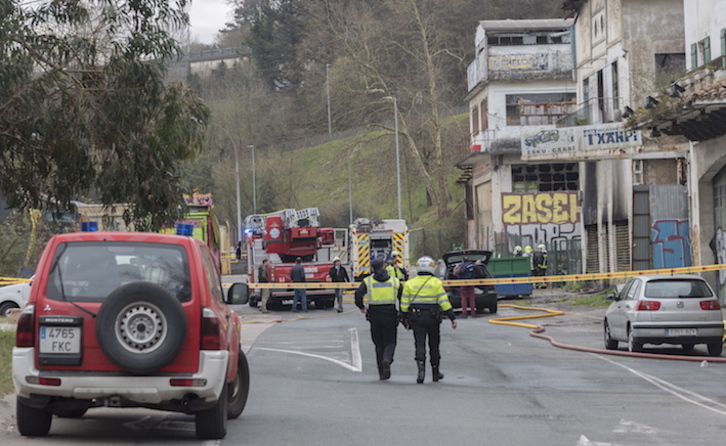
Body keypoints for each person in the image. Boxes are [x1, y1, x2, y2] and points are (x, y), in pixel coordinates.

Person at [401, 256, 457, 384]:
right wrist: (452, 317)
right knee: (434, 345)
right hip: (433, 318)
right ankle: (435, 372)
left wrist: (404, 317)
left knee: (419, 344)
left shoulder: (410, 283)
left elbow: (404, 304)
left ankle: (421, 372)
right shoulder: (436, 282)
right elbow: (444, 301)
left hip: (417, 318)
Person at [355, 258, 403, 380]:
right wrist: (403, 312)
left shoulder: (368, 281)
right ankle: (387, 359)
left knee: (378, 344)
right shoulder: (394, 281)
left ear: (372, 268)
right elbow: (403, 297)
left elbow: (358, 294)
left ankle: (382, 372)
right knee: (390, 342)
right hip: (390, 314)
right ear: (384, 266)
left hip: (374, 315)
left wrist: (361, 306)